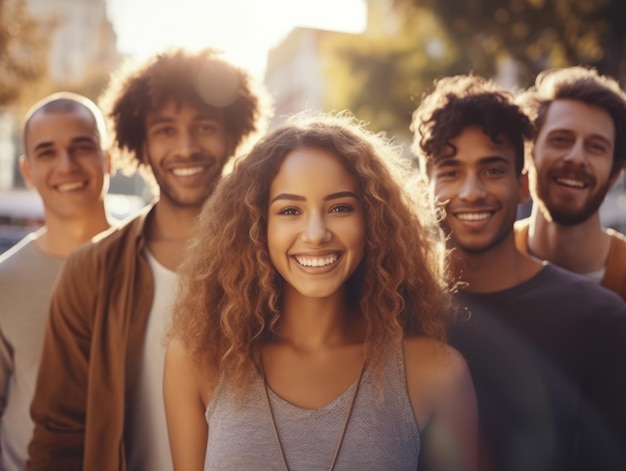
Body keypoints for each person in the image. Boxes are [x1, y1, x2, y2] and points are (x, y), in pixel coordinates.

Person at [164, 113, 478, 470]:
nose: (316, 233)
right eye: (291, 210)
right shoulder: (198, 359)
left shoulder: (437, 372)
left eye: (340, 208)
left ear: (373, 219)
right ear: (257, 224)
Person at [27, 48, 272, 471]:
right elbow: (59, 433)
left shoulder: (274, 259)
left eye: (205, 126)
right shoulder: (90, 271)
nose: (186, 147)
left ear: (234, 134)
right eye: (165, 130)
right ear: (139, 143)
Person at [412, 74, 626, 471]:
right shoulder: (397, 310)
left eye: (492, 170)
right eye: (450, 171)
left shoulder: (601, 318)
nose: (472, 191)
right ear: (426, 186)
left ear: (523, 185)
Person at [0, 92, 112, 471]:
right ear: (28, 171)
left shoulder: (151, 262)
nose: (66, 165)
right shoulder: (5, 280)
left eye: (82, 147)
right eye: (47, 152)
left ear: (107, 159)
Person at [514, 66, 626, 301]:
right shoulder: (482, 266)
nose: (576, 157)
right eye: (561, 140)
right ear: (529, 154)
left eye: (596, 146)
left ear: (614, 172)